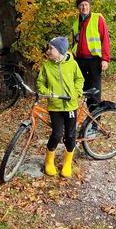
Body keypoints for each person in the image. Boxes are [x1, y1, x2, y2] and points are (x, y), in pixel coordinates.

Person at [36, 36, 85, 178]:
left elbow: (79, 79)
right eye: (49, 47)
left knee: (70, 135)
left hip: (70, 105)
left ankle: (67, 162)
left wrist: (77, 92)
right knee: (57, 133)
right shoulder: (46, 65)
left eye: (51, 48)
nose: (48, 50)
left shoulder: (72, 64)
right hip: (55, 106)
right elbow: (40, 82)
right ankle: (49, 161)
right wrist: (47, 92)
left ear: (60, 51)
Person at [71, 0, 111, 110]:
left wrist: (105, 59)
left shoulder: (97, 18)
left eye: (86, 4)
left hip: (94, 60)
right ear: (78, 7)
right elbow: (74, 43)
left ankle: (95, 121)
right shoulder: (75, 23)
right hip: (80, 61)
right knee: (85, 90)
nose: (84, 7)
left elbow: (105, 40)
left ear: (89, 5)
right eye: (81, 5)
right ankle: (90, 117)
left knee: (95, 91)